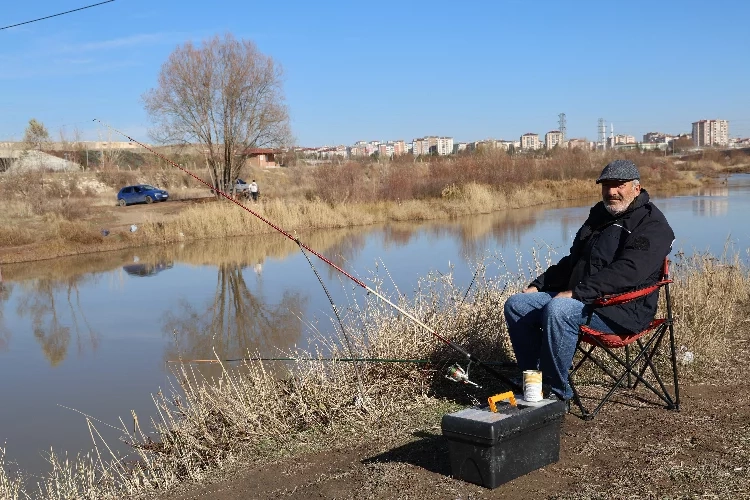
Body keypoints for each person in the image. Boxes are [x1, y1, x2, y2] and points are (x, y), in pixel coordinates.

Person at [503, 159, 674, 400]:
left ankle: (556, 394)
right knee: (517, 304)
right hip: (587, 300)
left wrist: (577, 293)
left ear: (636, 188)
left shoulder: (653, 224)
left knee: (560, 309)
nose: (611, 192)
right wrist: (539, 284)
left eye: (619, 185)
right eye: (606, 186)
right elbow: (575, 260)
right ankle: (533, 381)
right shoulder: (599, 216)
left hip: (623, 310)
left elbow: (628, 271)